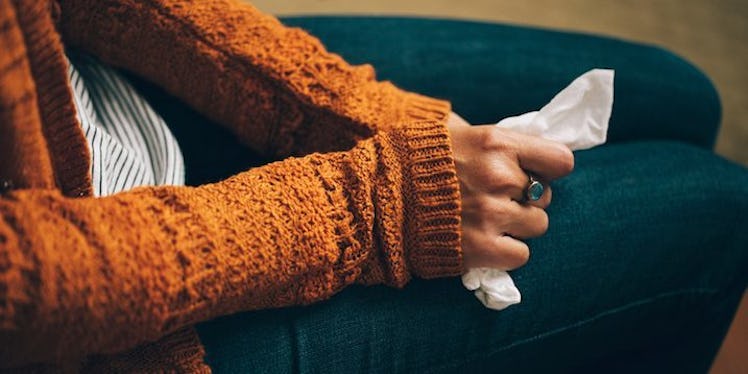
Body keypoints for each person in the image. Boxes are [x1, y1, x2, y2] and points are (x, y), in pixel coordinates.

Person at [0, 1, 745, 372]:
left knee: (678, 95)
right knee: (714, 209)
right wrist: (381, 200)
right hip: (111, 337)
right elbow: (22, 289)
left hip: (108, 94)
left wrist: (364, 117)